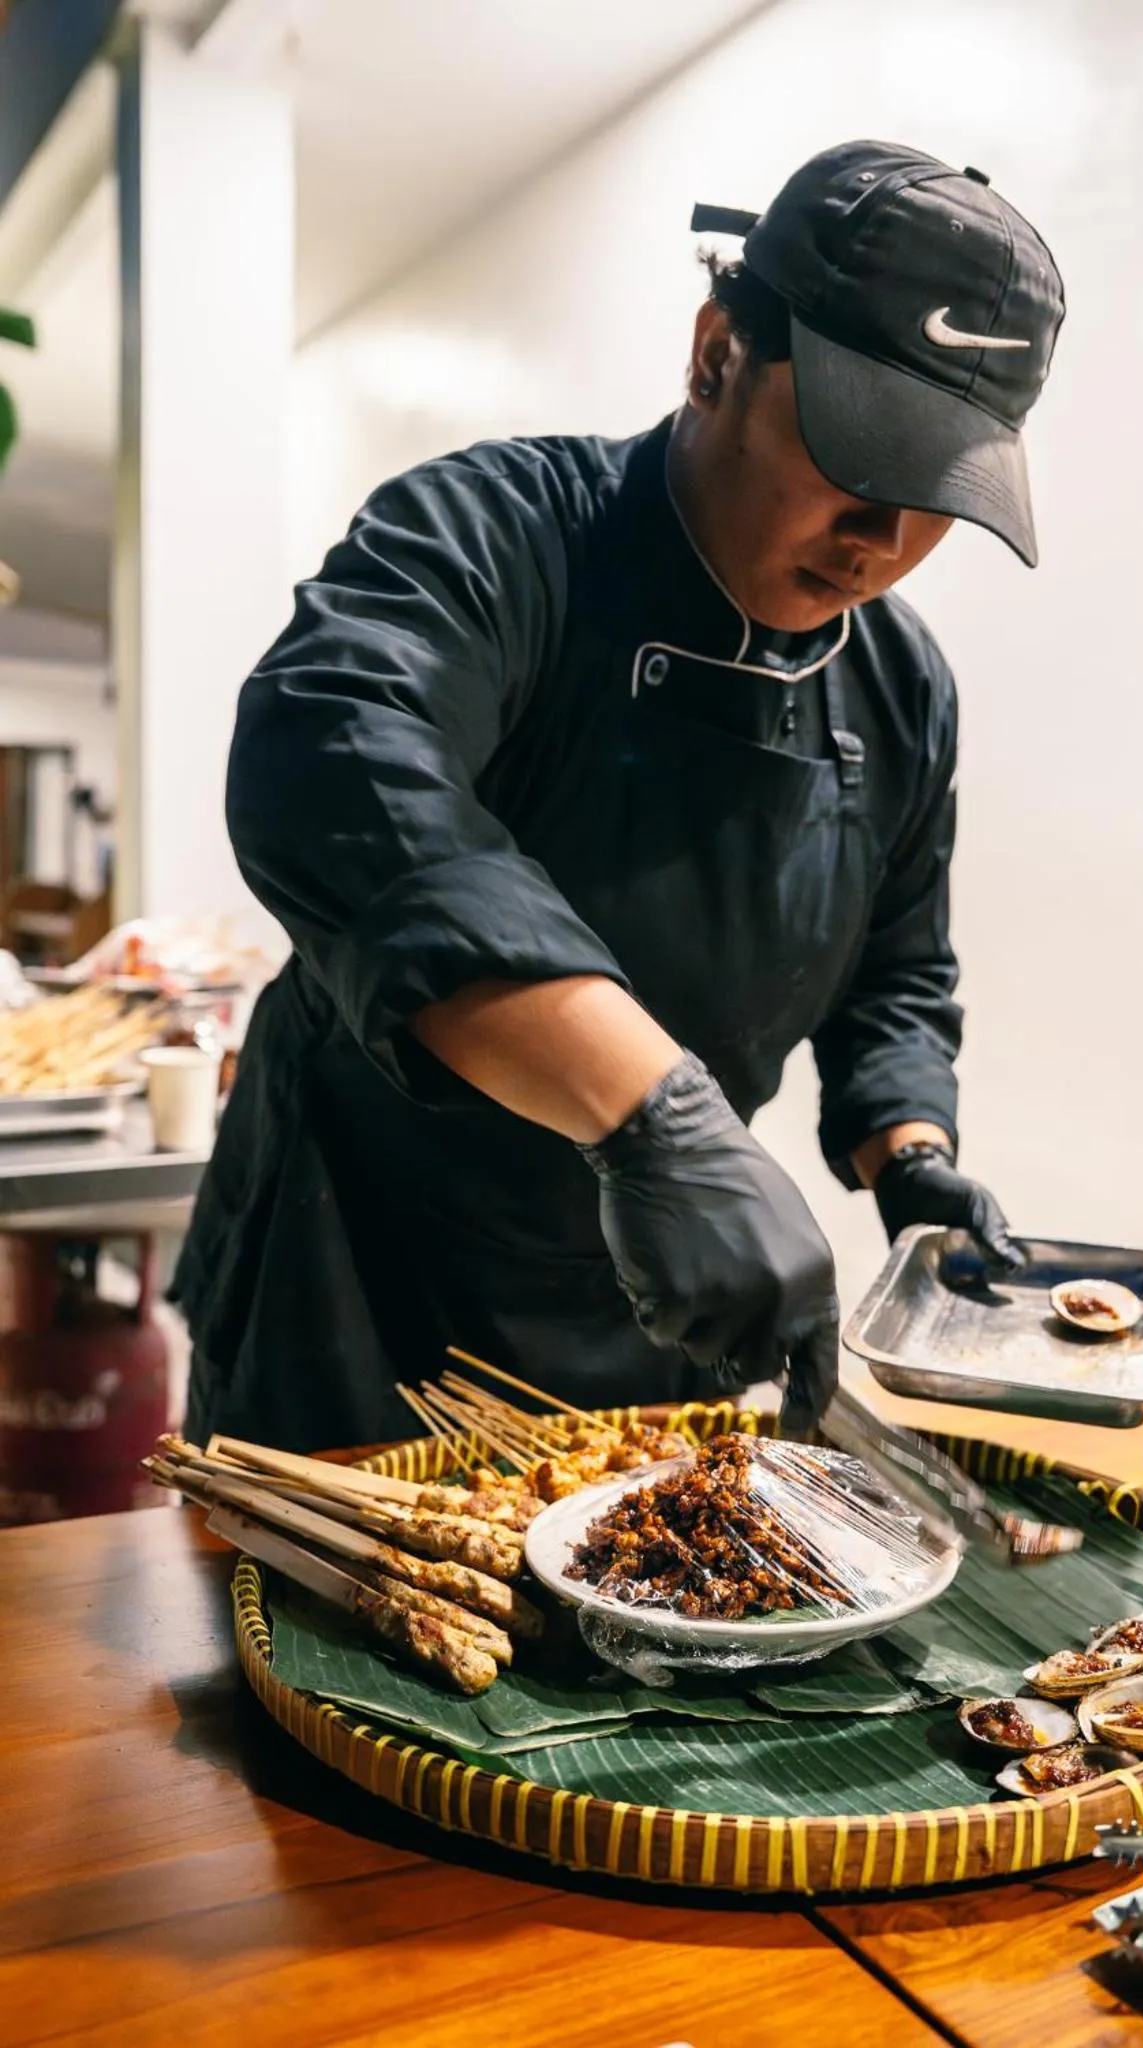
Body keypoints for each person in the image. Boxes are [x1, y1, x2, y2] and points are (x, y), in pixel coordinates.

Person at [176, 140, 1065, 1454]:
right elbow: (331, 752)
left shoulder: (902, 687)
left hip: (654, 1301)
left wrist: (911, 1160)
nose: (880, 541)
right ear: (716, 355)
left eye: (935, 494)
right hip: (355, 1277)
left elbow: (895, 974)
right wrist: (660, 1117)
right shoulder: (502, 531)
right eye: (857, 459)